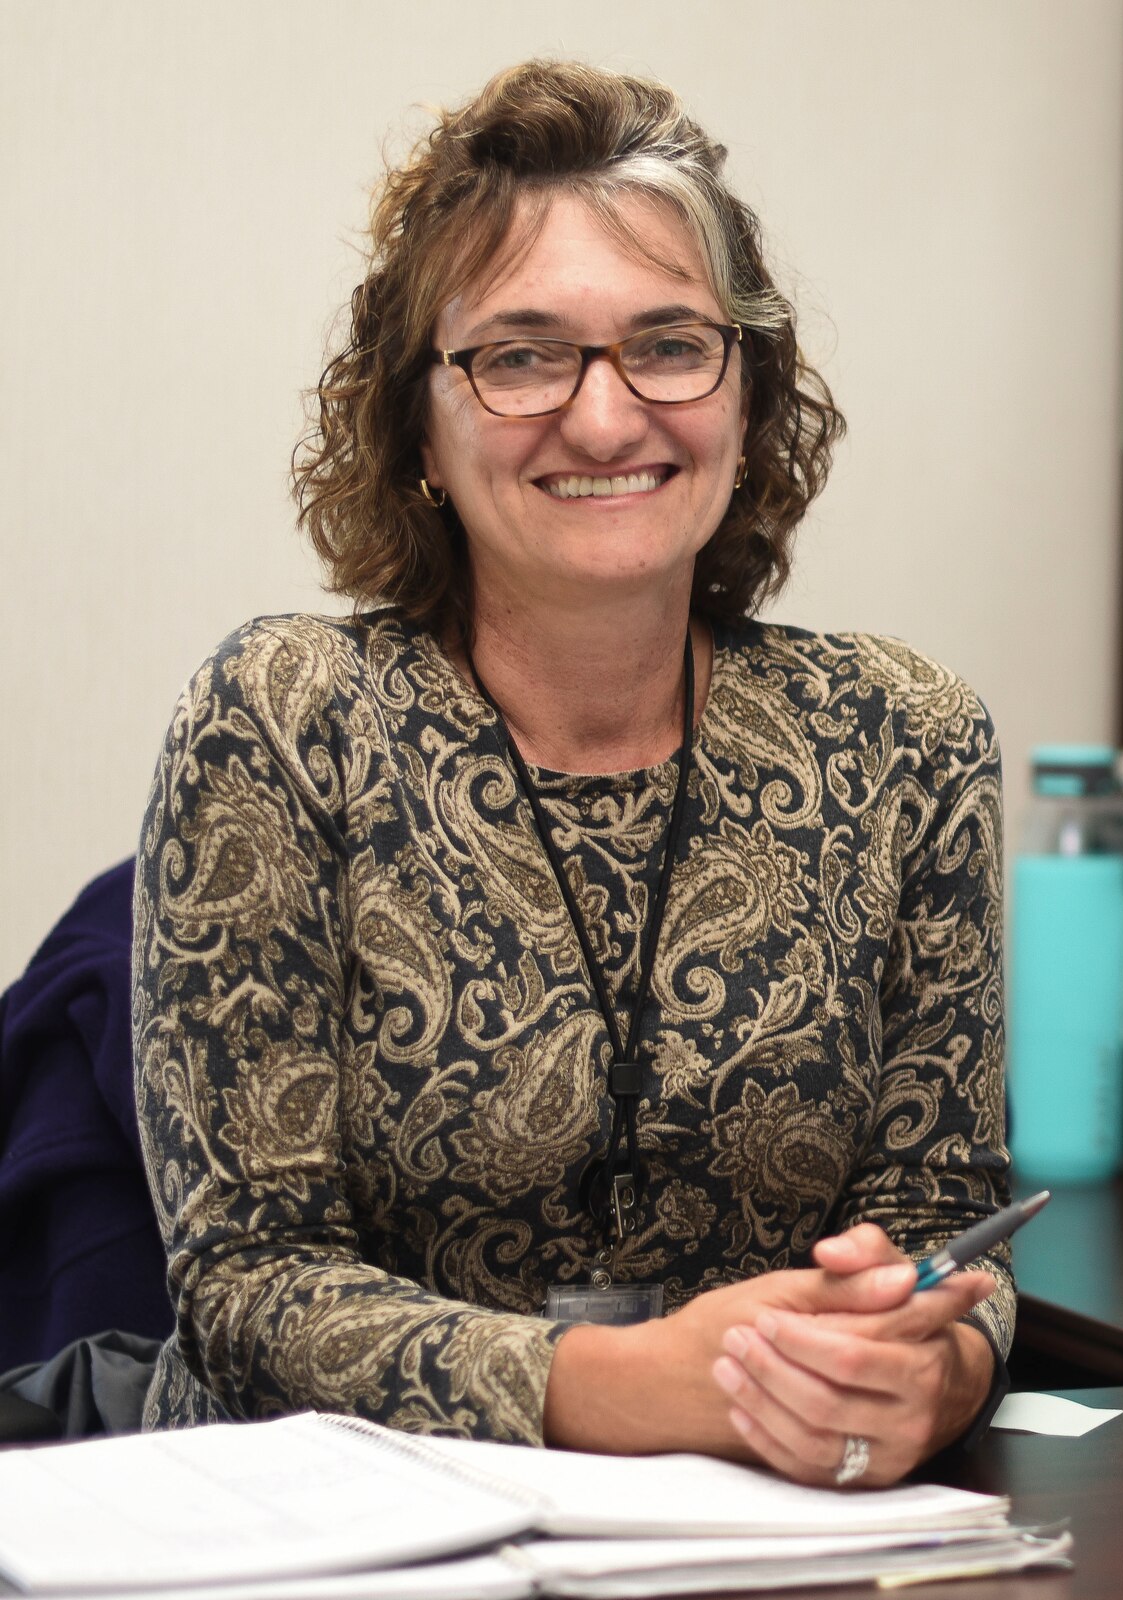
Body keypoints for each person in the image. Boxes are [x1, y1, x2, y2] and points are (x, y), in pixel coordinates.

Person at [132, 60, 1010, 1487]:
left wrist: (934, 1366)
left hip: (759, 1531)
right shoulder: (288, 717)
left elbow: (942, 1208)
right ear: (419, 423)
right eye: (524, 355)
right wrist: (620, 1387)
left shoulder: (904, 737)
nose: (606, 421)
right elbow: (245, 1280)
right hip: (330, 1530)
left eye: (669, 344)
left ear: (748, 392)